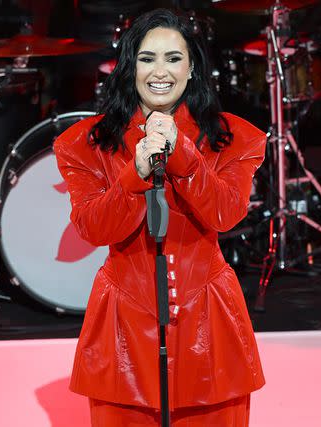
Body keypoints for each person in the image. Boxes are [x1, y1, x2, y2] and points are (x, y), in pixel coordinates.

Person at [53, 8, 266, 426]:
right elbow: (95, 228)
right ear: (128, 67)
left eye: (174, 58)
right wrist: (136, 175)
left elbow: (225, 213)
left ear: (193, 68)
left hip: (209, 324)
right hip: (123, 329)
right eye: (147, 58)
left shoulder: (236, 138)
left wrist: (183, 155)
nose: (160, 71)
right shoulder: (84, 144)